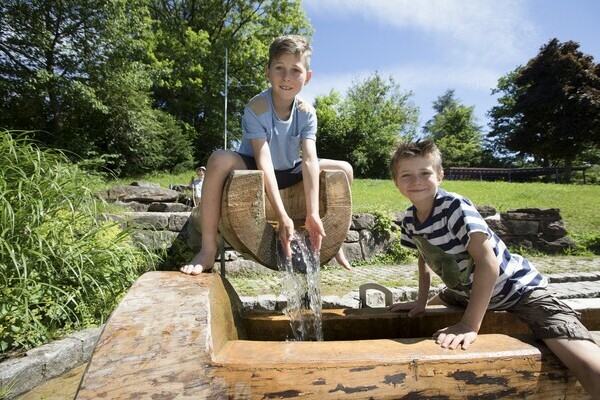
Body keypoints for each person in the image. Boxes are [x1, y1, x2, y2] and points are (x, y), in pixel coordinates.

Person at [387, 139, 600, 398]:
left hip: (519, 290)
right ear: (396, 182)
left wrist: (469, 325)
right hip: (464, 291)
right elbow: (424, 257)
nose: (416, 181)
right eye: (406, 175)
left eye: (425, 173)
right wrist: (420, 302)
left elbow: (489, 263)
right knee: (423, 314)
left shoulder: (455, 207)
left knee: (588, 363)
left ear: (440, 175)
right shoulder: (410, 219)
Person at [180, 34, 353, 275]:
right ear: (267, 71)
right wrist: (282, 215)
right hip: (253, 166)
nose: (286, 77)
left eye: (295, 70)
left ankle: (335, 241)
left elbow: (310, 160)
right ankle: (208, 249)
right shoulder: (256, 107)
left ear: (308, 77)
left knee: (345, 168)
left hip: (291, 169)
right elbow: (263, 160)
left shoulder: (307, 112)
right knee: (218, 159)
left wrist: (313, 214)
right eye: (279, 68)